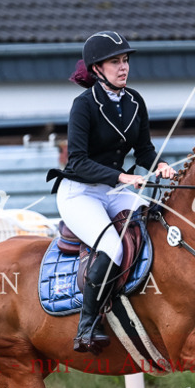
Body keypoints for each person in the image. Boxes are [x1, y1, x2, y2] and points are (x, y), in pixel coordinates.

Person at [51, 30, 176, 353]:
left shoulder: (135, 101)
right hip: (81, 192)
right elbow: (77, 161)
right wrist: (122, 176)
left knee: (155, 225)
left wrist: (159, 165)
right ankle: (87, 325)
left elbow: (144, 150)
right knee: (113, 246)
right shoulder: (84, 106)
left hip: (116, 188)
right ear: (96, 69)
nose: (123, 68)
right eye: (114, 62)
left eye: (125, 61)